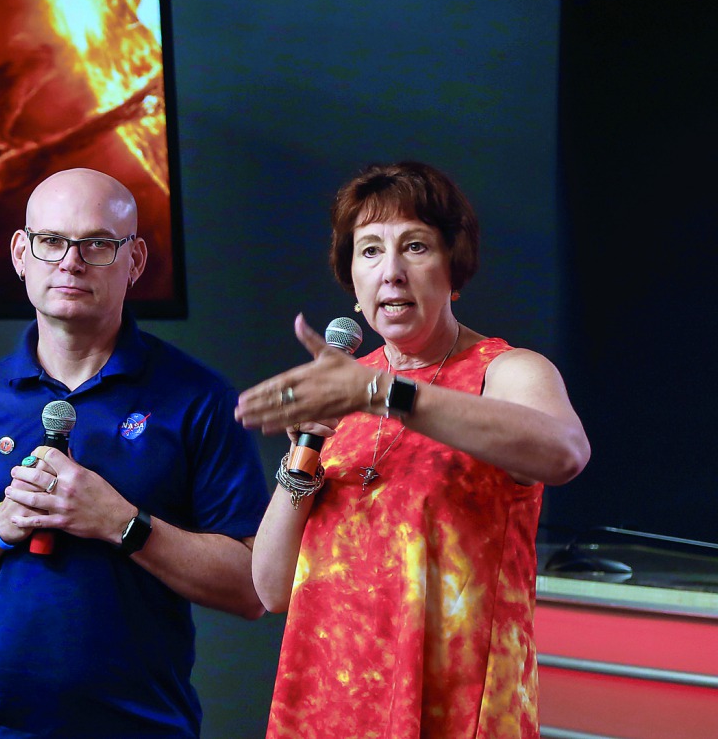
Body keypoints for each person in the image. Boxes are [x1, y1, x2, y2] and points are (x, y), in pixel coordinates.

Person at [0, 167, 269, 739]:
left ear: (135, 261)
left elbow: (252, 588)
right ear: (21, 253)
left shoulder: (200, 399)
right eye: (50, 242)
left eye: (97, 244)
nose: (70, 261)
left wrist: (122, 524)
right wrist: (0, 523)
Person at [235, 161, 590, 739]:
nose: (391, 272)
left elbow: (564, 452)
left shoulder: (505, 371)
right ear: (352, 281)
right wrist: (304, 450)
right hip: (326, 707)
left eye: (415, 246)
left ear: (455, 267)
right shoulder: (344, 385)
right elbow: (272, 588)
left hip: (456, 713)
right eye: (369, 251)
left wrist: (382, 393)